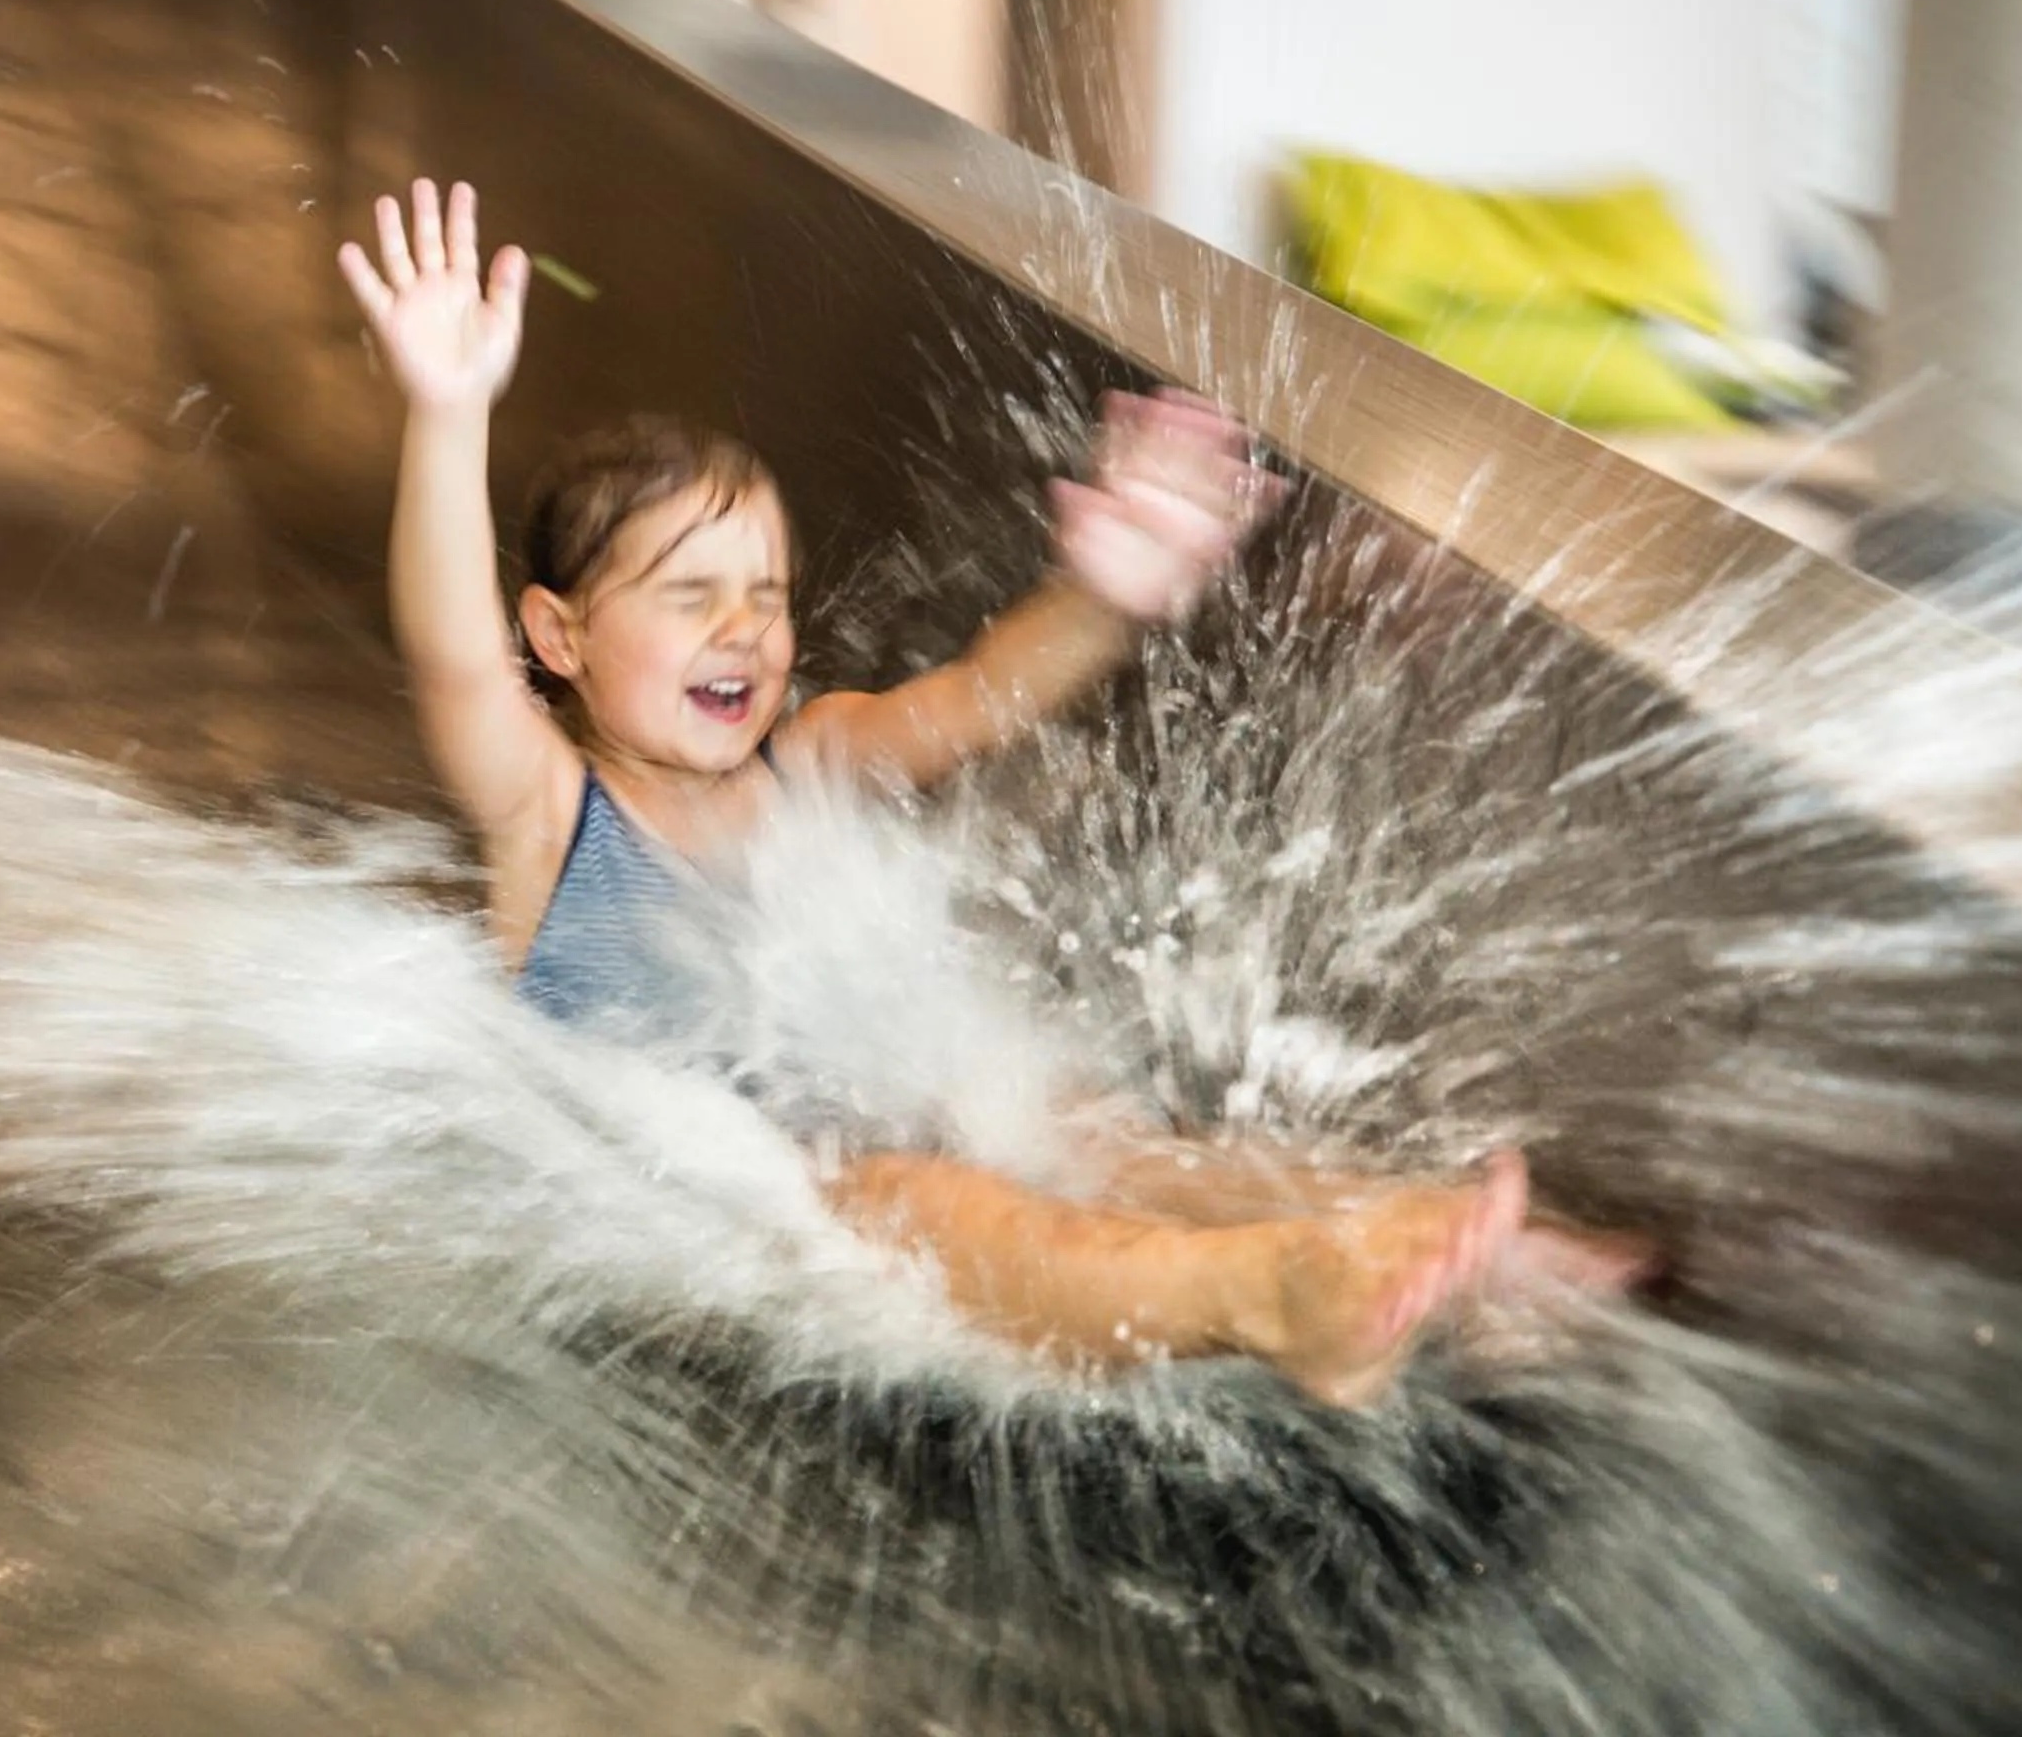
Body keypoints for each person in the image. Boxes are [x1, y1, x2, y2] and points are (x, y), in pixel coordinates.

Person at [340, 178, 1536, 1408]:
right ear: (559, 634)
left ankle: (1428, 1242)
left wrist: (1102, 595)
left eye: (766, 594)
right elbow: (452, 663)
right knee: (900, 1195)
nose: (742, 631)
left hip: (868, 1135)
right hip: (719, 1220)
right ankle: (1284, 1289)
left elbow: (977, 695)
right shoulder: (549, 812)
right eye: (688, 595)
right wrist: (446, 413)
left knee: (1080, 1131)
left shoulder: (807, 764)